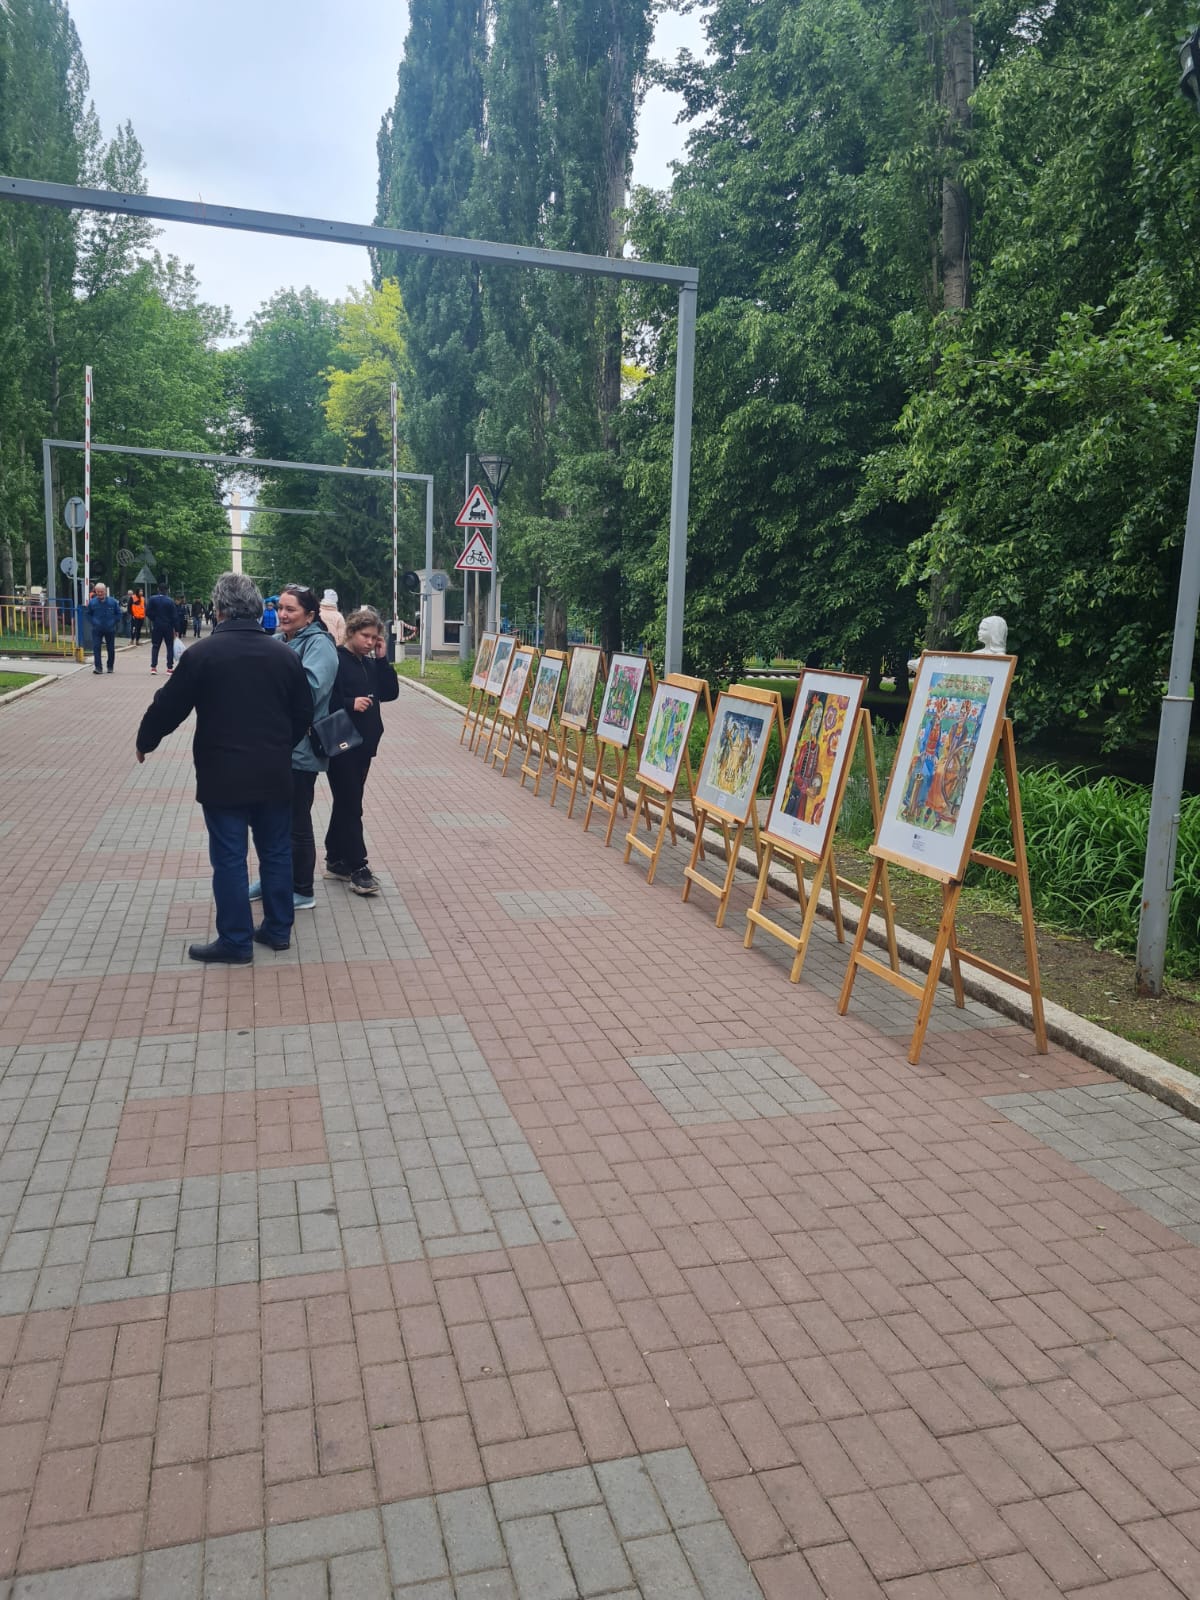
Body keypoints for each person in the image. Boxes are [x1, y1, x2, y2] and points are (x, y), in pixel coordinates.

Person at [134, 572, 312, 963]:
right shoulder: (285, 655)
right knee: (277, 852)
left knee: (230, 857)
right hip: (274, 771)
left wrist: (146, 740)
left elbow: (169, 706)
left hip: (222, 775)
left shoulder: (202, 655)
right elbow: (304, 713)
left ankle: (236, 940)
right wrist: (282, 745)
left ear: (219, 609)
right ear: (254, 609)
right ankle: (278, 930)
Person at [250, 583, 338, 912]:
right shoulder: (278, 641)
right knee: (270, 821)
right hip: (272, 746)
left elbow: (312, 690)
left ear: (310, 615)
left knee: (295, 823)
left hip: (300, 748)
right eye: (280, 608)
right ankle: (274, 879)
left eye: (291, 610)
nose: (282, 615)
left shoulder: (319, 645)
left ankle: (302, 889)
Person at [324, 607, 399, 896]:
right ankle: (358, 866)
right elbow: (321, 698)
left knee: (346, 801)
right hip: (341, 742)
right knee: (351, 803)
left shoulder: (369, 663)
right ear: (351, 632)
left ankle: (335, 858)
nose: (370, 642)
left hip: (365, 745)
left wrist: (382, 659)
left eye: (375, 638)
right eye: (366, 636)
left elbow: (390, 693)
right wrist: (348, 703)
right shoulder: (336, 660)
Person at [86, 583, 121, 674]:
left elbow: (118, 614)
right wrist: (93, 622)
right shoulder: (92, 602)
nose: (100, 594)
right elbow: (88, 614)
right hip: (97, 629)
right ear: (95, 592)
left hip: (110, 629)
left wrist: (113, 622)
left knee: (110, 648)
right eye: (98, 592)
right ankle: (98, 667)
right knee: (96, 647)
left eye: (101, 592)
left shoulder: (113, 602)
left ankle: (110, 666)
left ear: (105, 591)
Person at [146, 584, 177, 675]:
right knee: (169, 646)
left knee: (155, 646)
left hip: (157, 625)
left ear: (158, 589)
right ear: (167, 590)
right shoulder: (170, 601)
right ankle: (169, 668)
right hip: (168, 626)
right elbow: (174, 616)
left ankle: (153, 667)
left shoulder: (152, 599)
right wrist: (177, 629)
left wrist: (154, 619)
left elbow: (148, 612)